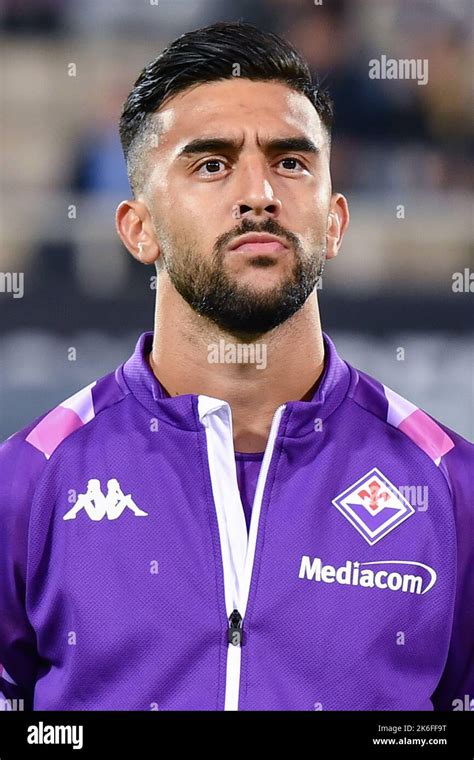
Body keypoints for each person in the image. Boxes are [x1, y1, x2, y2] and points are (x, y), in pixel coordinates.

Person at [0, 21, 472, 712]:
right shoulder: (27, 484)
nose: (259, 193)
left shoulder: (452, 489)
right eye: (212, 164)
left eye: (290, 161)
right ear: (139, 227)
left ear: (335, 221)